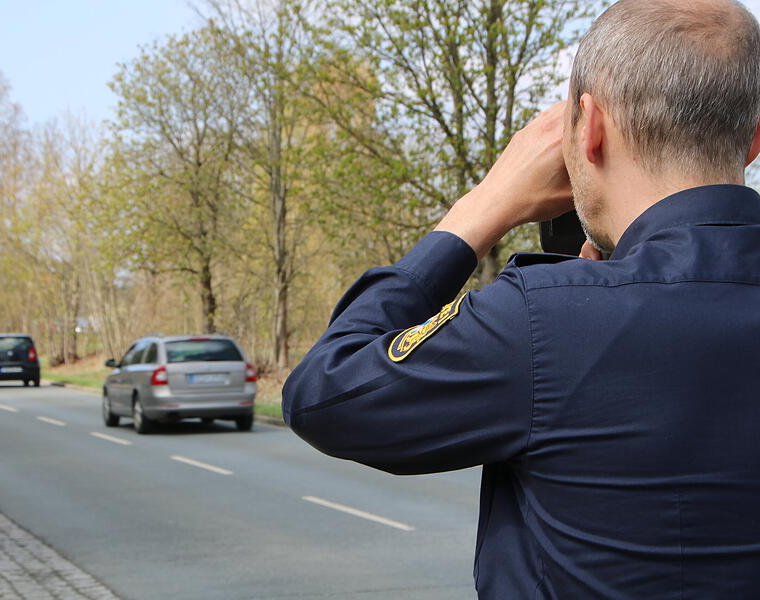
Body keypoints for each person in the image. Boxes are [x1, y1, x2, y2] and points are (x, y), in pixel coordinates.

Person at [282, 0, 760, 596]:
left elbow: (325, 393)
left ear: (590, 128)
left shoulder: (540, 319)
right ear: (752, 140)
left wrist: (485, 205)